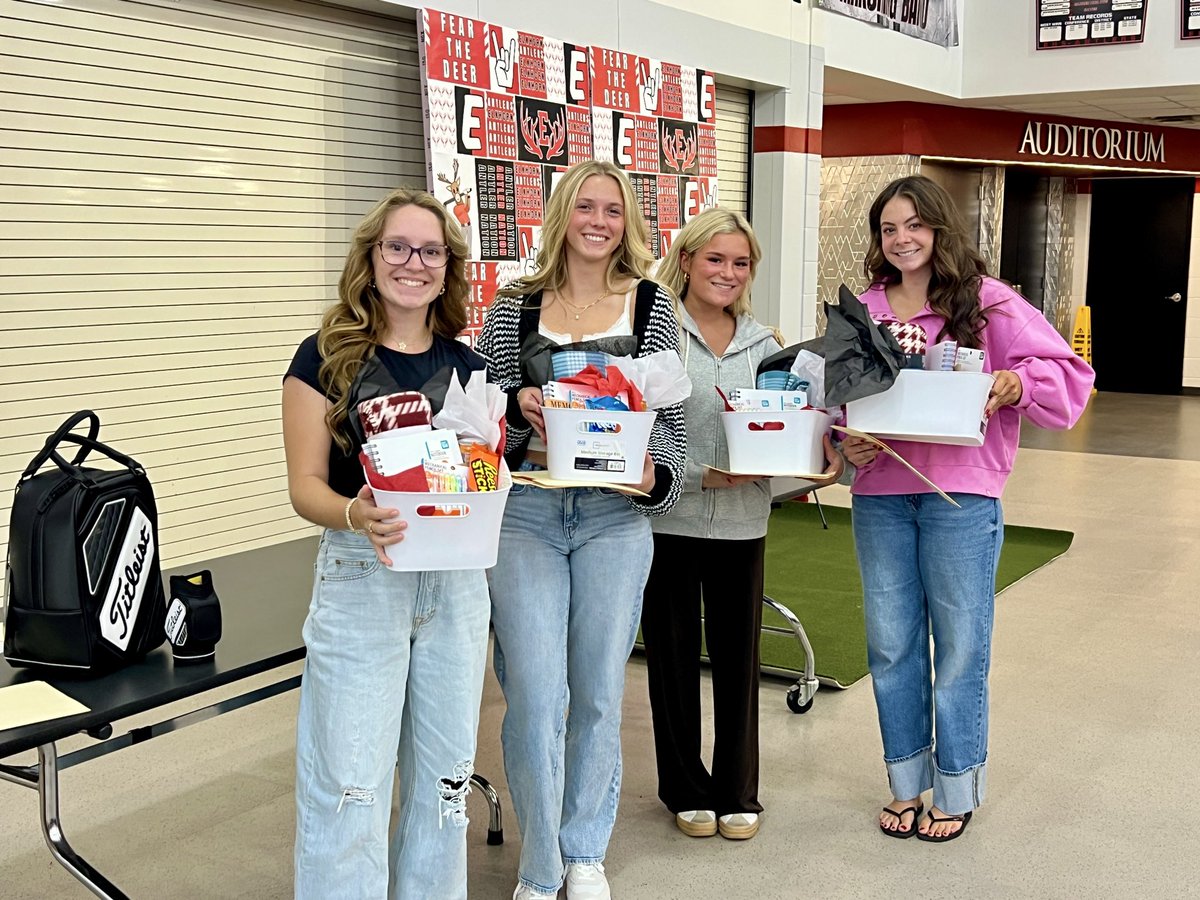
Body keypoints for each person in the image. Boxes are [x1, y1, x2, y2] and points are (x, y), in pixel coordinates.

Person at [841, 175, 1094, 843]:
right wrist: (847, 438)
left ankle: (955, 787)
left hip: (963, 497)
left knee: (959, 649)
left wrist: (1016, 381)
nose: (902, 240)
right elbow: (834, 398)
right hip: (881, 499)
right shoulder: (863, 310)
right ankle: (905, 784)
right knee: (891, 645)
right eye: (889, 229)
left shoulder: (989, 302)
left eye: (914, 226)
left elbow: (1070, 376)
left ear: (940, 229)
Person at [475, 159, 686, 900]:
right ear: (562, 214)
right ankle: (540, 864)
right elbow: (483, 410)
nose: (599, 222)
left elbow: (676, 422)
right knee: (533, 690)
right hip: (528, 511)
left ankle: (584, 848)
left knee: (597, 689)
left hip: (612, 518)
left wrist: (654, 477)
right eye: (585, 207)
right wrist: (517, 404)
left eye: (613, 210)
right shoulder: (515, 305)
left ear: (627, 222)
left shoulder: (654, 305)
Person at [282, 187, 491, 899]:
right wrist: (353, 514)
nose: (414, 262)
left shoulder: (469, 365)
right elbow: (304, 484)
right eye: (397, 247)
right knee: (350, 783)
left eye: (430, 250)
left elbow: (482, 471)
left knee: (444, 782)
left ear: (447, 267)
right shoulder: (325, 357)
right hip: (363, 572)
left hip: (456, 585)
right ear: (371, 258)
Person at [643, 207, 844, 842]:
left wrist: (819, 457)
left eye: (740, 263)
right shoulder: (654, 337)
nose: (728, 273)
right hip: (666, 518)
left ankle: (737, 792)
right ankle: (683, 787)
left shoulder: (769, 343)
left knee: (738, 659)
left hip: (742, 522)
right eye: (715, 259)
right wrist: (700, 473)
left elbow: (792, 423)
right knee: (671, 662)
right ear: (686, 262)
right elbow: (636, 424)